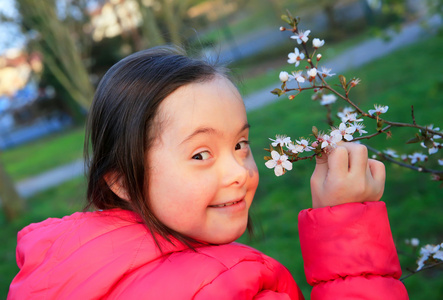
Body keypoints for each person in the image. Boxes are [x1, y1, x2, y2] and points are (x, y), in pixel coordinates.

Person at [8, 47, 409, 299]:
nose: (238, 171)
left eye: (240, 145)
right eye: (201, 154)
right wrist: (347, 227)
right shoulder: (237, 288)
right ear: (123, 181)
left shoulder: (57, 268)